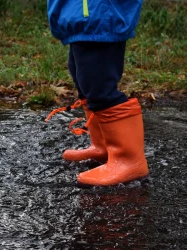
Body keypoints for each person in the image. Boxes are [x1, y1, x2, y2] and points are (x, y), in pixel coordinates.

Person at [46, 0, 149, 186]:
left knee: (99, 85)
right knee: (84, 81)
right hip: (80, 16)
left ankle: (129, 160)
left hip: (99, 14)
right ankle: (103, 146)